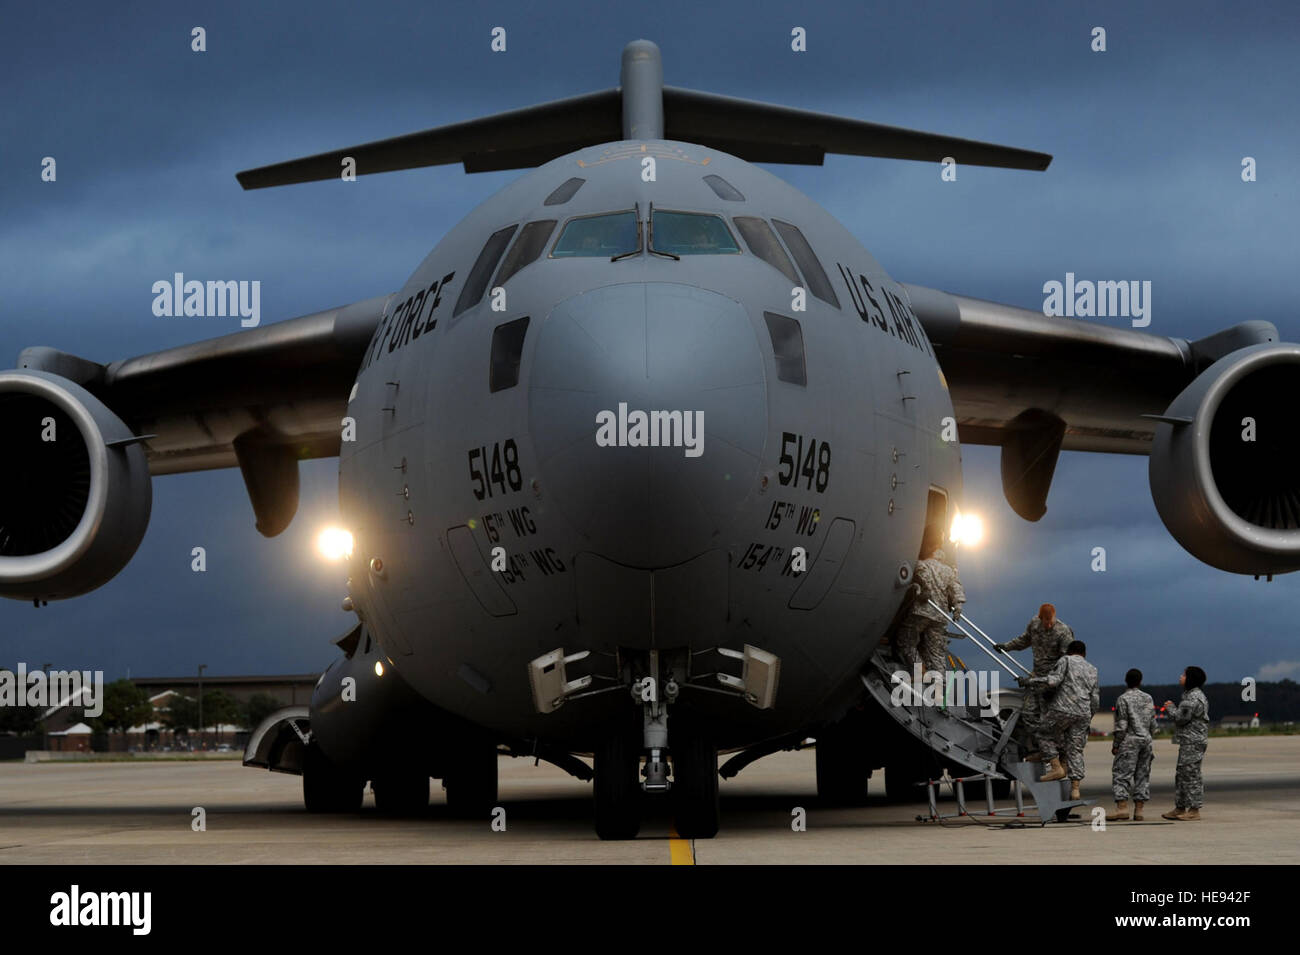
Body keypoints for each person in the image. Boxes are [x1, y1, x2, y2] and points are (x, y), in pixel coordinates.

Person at [995, 604, 1074, 758]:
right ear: (1040, 618)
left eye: (1051, 621)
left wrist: (1059, 684)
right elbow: (1024, 640)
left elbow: (1068, 661)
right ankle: (1044, 747)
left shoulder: (1063, 632)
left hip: (1053, 681)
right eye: (1046, 621)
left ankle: (1057, 752)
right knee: (1028, 714)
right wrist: (1006, 647)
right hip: (1037, 677)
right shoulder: (1034, 625)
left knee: (1050, 720)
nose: (1049, 624)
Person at [1025, 640, 1099, 800]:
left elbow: (1053, 681)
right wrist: (1088, 716)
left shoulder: (1066, 660)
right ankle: (1075, 789)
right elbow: (1095, 698)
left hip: (1063, 708)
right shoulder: (1093, 669)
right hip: (1084, 712)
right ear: (1084, 654)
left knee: (1043, 733)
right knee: (1075, 748)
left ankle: (1056, 767)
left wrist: (1031, 681)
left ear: (1069, 652)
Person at [895, 541, 965, 678]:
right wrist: (958, 606)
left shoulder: (922, 564)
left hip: (922, 612)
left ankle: (920, 671)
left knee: (906, 641)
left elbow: (923, 579)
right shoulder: (949, 571)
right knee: (937, 652)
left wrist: (923, 589)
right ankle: (939, 683)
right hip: (940, 616)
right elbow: (957, 589)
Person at [1162, 666, 1209, 821]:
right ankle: (1180, 807)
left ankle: (1194, 810)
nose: (1180, 677)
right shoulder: (1189, 696)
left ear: (1190, 679)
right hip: (1188, 741)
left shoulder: (1192, 698)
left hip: (1193, 742)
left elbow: (1180, 718)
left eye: (1184, 675)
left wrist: (1169, 707)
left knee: (1191, 775)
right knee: (1182, 774)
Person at [1108, 668, 1156, 821]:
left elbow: (1121, 725)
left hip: (1130, 740)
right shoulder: (1148, 698)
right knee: (1142, 775)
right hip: (1146, 740)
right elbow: (1153, 723)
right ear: (1140, 681)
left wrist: (1116, 744)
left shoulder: (1123, 699)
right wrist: (1148, 736)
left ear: (1126, 680)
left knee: (1122, 774)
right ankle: (1139, 810)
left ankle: (1122, 807)